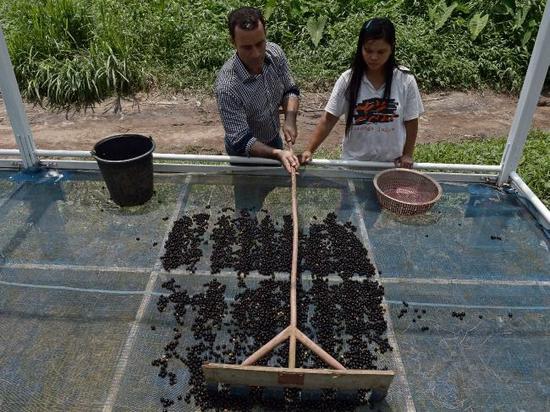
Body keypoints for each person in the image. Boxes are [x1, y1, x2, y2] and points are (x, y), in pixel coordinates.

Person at [299, 17, 424, 168]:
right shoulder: (348, 80)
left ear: (392, 48)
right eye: (368, 50)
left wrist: (408, 154)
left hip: (391, 166)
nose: (373, 57)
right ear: (360, 47)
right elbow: (328, 119)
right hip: (353, 165)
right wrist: (309, 150)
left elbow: (411, 121)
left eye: (381, 51)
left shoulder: (405, 80)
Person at [216, 7, 300, 174]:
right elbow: (241, 140)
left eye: (260, 43)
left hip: (273, 138)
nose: (256, 53)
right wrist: (277, 154)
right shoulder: (227, 87)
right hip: (245, 156)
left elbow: (290, 90)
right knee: (249, 198)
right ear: (233, 42)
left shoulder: (275, 53)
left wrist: (290, 119)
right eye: (247, 47)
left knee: (271, 182)